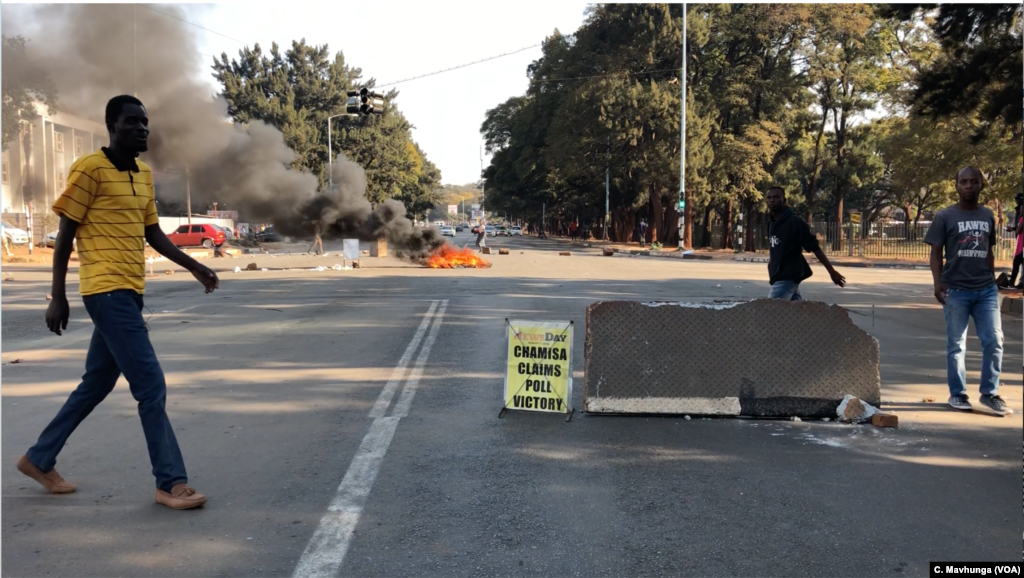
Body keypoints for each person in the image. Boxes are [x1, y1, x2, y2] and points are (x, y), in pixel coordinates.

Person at [17, 95, 220, 510]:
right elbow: (64, 235)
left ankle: (39, 458)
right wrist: (58, 295)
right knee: (150, 385)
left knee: (97, 383)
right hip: (104, 290)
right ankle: (170, 482)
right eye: (132, 122)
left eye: (145, 122)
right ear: (111, 125)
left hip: (129, 289)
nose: (142, 128)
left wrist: (194, 265)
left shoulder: (143, 175)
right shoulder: (90, 169)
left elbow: (153, 234)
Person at [924, 167, 1010, 416]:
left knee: (994, 340)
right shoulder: (945, 216)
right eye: (964, 182)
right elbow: (935, 253)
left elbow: (989, 250)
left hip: (985, 290)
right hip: (956, 290)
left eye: (973, 182)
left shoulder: (987, 216)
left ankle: (990, 394)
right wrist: (937, 283)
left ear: (980, 185)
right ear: (957, 185)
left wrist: (993, 280)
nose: (969, 186)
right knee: (957, 344)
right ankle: (958, 394)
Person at [764, 186, 846, 300]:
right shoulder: (772, 224)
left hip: (788, 276)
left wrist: (832, 271)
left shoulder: (795, 223)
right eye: (769, 197)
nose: (772, 200)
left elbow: (815, 248)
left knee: (771, 311)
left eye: (776, 197)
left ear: (784, 200)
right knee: (796, 314)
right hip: (777, 275)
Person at [1008, 214, 1023, 289]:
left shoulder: (1022, 219)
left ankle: (1011, 282)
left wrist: (1012, 229)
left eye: (1022, 209)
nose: (1020, 211)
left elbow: (1018, 230)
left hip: (1022, 246)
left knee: (1016, 262)